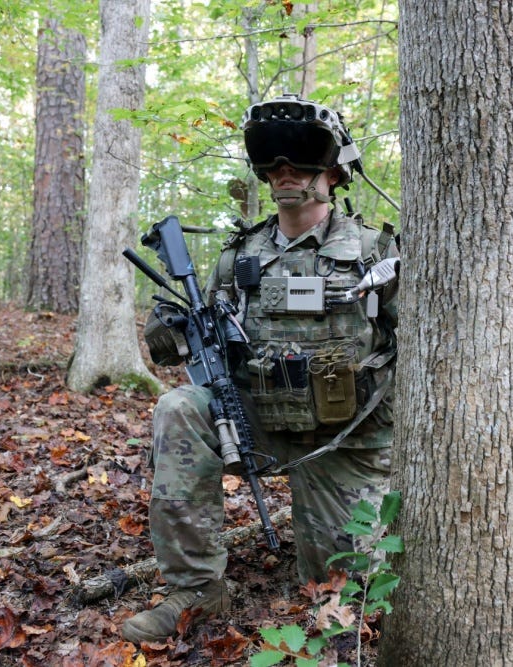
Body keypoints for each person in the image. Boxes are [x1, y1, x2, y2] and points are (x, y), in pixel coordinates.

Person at [122, 94, 399, 643]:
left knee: (344, 596)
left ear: (335, 170)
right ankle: (197, 589)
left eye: (301, 156)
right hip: (261, 422)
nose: (284, 170)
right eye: (270, 159)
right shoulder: (239, 256)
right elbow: (205, 338)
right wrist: (175, 329)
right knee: (179, 408)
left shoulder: (376, 253)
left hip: (344, 440)